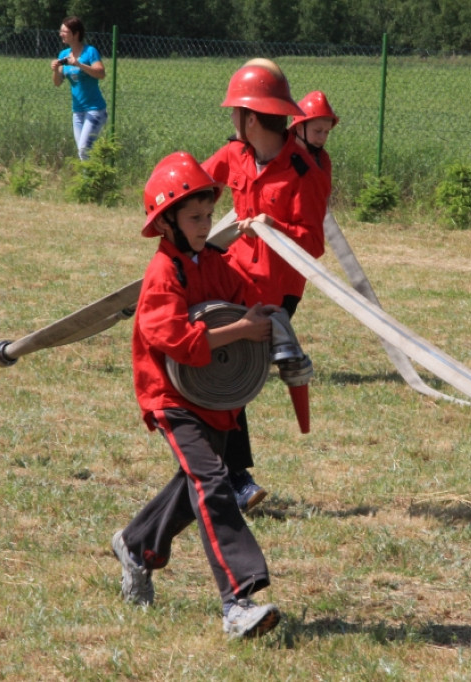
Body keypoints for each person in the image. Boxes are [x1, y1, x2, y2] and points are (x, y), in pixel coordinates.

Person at [110, 151, 282, 639]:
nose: (206, 224)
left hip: (217, 399)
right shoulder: (164, 273)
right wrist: (241, 331)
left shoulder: (213, 261)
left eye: (208, 215)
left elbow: (248, 299)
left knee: (193, 490)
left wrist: (268, 313)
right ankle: (237, 601)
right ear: (166, 223)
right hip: (173, 398)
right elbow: (177, 341)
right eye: (195, 217)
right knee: (213, 482)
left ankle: (136, 544)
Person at [202, 59, 331, 513]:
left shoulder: (303, 172)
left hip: (275, 294)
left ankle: (233, 479)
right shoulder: (236, 153)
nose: (231, 118)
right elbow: (201, 180)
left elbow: (313, 244)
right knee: (217, 372)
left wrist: (275, 227)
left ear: (251, 118)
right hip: (230, 280)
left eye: (235, 110)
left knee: (226, 375)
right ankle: (229, 477)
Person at [51, 16, 108, 161]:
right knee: (83, 153)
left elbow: (101, 74)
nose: (61, 34)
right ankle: (91, 180)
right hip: (78, 112)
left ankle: (93, 180)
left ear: (75, 34)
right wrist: (55, 69)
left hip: (95, 110)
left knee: (84, 150)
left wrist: (79, 65)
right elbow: (57, 83)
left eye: (64, 31)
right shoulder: (63, 55)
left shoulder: (90, 52)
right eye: (61, 31)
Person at [290, 90, 339, 177]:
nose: (322, 137)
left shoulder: (323, 160)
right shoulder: (283, 157)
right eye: (318, 131)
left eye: (326, 132)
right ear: (299, 128)